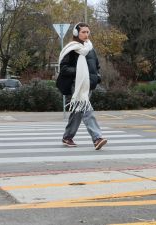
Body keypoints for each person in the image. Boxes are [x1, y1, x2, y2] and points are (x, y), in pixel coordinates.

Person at [56, 22, 107, 150]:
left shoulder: (90, 48)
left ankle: (67, 137)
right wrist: (79, 73)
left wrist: (97, 76)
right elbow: (64, 69)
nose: (86, 34)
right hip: (76, 85)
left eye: (87, 32)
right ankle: (97, 138)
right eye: (83, 32)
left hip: (88, 84)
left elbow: (96, 65)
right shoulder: (72, 48)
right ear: (76, 33)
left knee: (78, 112)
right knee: (86, 110)